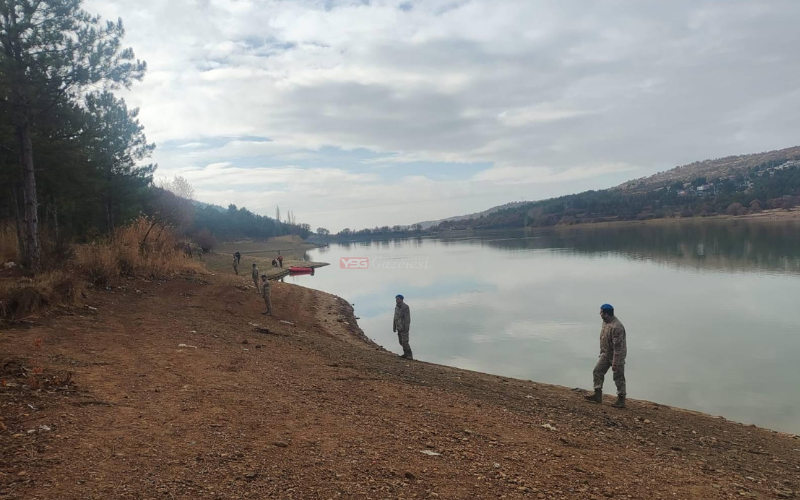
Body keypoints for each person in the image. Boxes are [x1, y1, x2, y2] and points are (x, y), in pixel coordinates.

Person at [585, 304, 627, 408]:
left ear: (606, 314)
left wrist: (615, 363)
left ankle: (621, 400)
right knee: (597, 371)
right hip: (605, 353)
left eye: (601, 312)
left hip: (617, 356)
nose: (599, 314)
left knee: (618, 377)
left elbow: (618, 347)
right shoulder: (605, 322)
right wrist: (602, 352)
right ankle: (597, 395)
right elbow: (603, 338)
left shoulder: (617, 327)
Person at [393, 294, 413, 360]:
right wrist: (394, 326)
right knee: (401, 342)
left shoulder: (405, 307)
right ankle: (405, 353)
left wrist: (406, 328)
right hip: (399, 327)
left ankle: (409, 355)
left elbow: (407, 319)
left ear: (401, 299)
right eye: (396, 299)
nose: (396, 300)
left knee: (405, 342)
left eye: (397, 299)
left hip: (404, 328)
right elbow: (395, 317)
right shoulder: (396, 307)